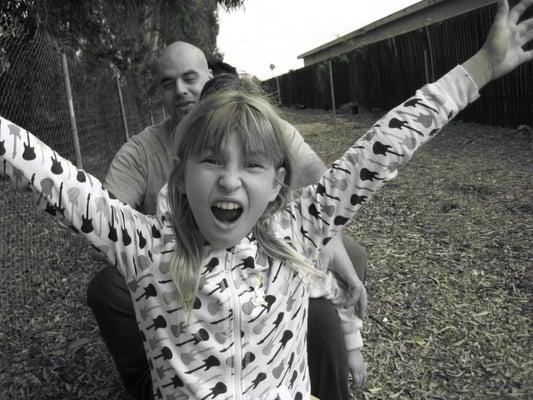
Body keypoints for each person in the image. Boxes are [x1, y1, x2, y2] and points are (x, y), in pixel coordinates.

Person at [1, 0, 530, 397]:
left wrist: (479, 70)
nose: (231, 180)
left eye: (252, 165)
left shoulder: (296, 232)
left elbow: (379, 149)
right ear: (180, 177)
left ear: (277, 183)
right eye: (211, 160)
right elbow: (54, 176)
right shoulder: (143, 248)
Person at [91, 42, 368, 399]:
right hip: (173, 263)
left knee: (342, 277)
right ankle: (153, 383)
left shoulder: (258, 124)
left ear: (209, 77)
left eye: (189, 78)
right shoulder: (143, 151)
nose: (179, 91)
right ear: (180, 174)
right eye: (167, 82)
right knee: (105, 286)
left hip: (264, 259)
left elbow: (326, 183)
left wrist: (324, 236)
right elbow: (106, 211)